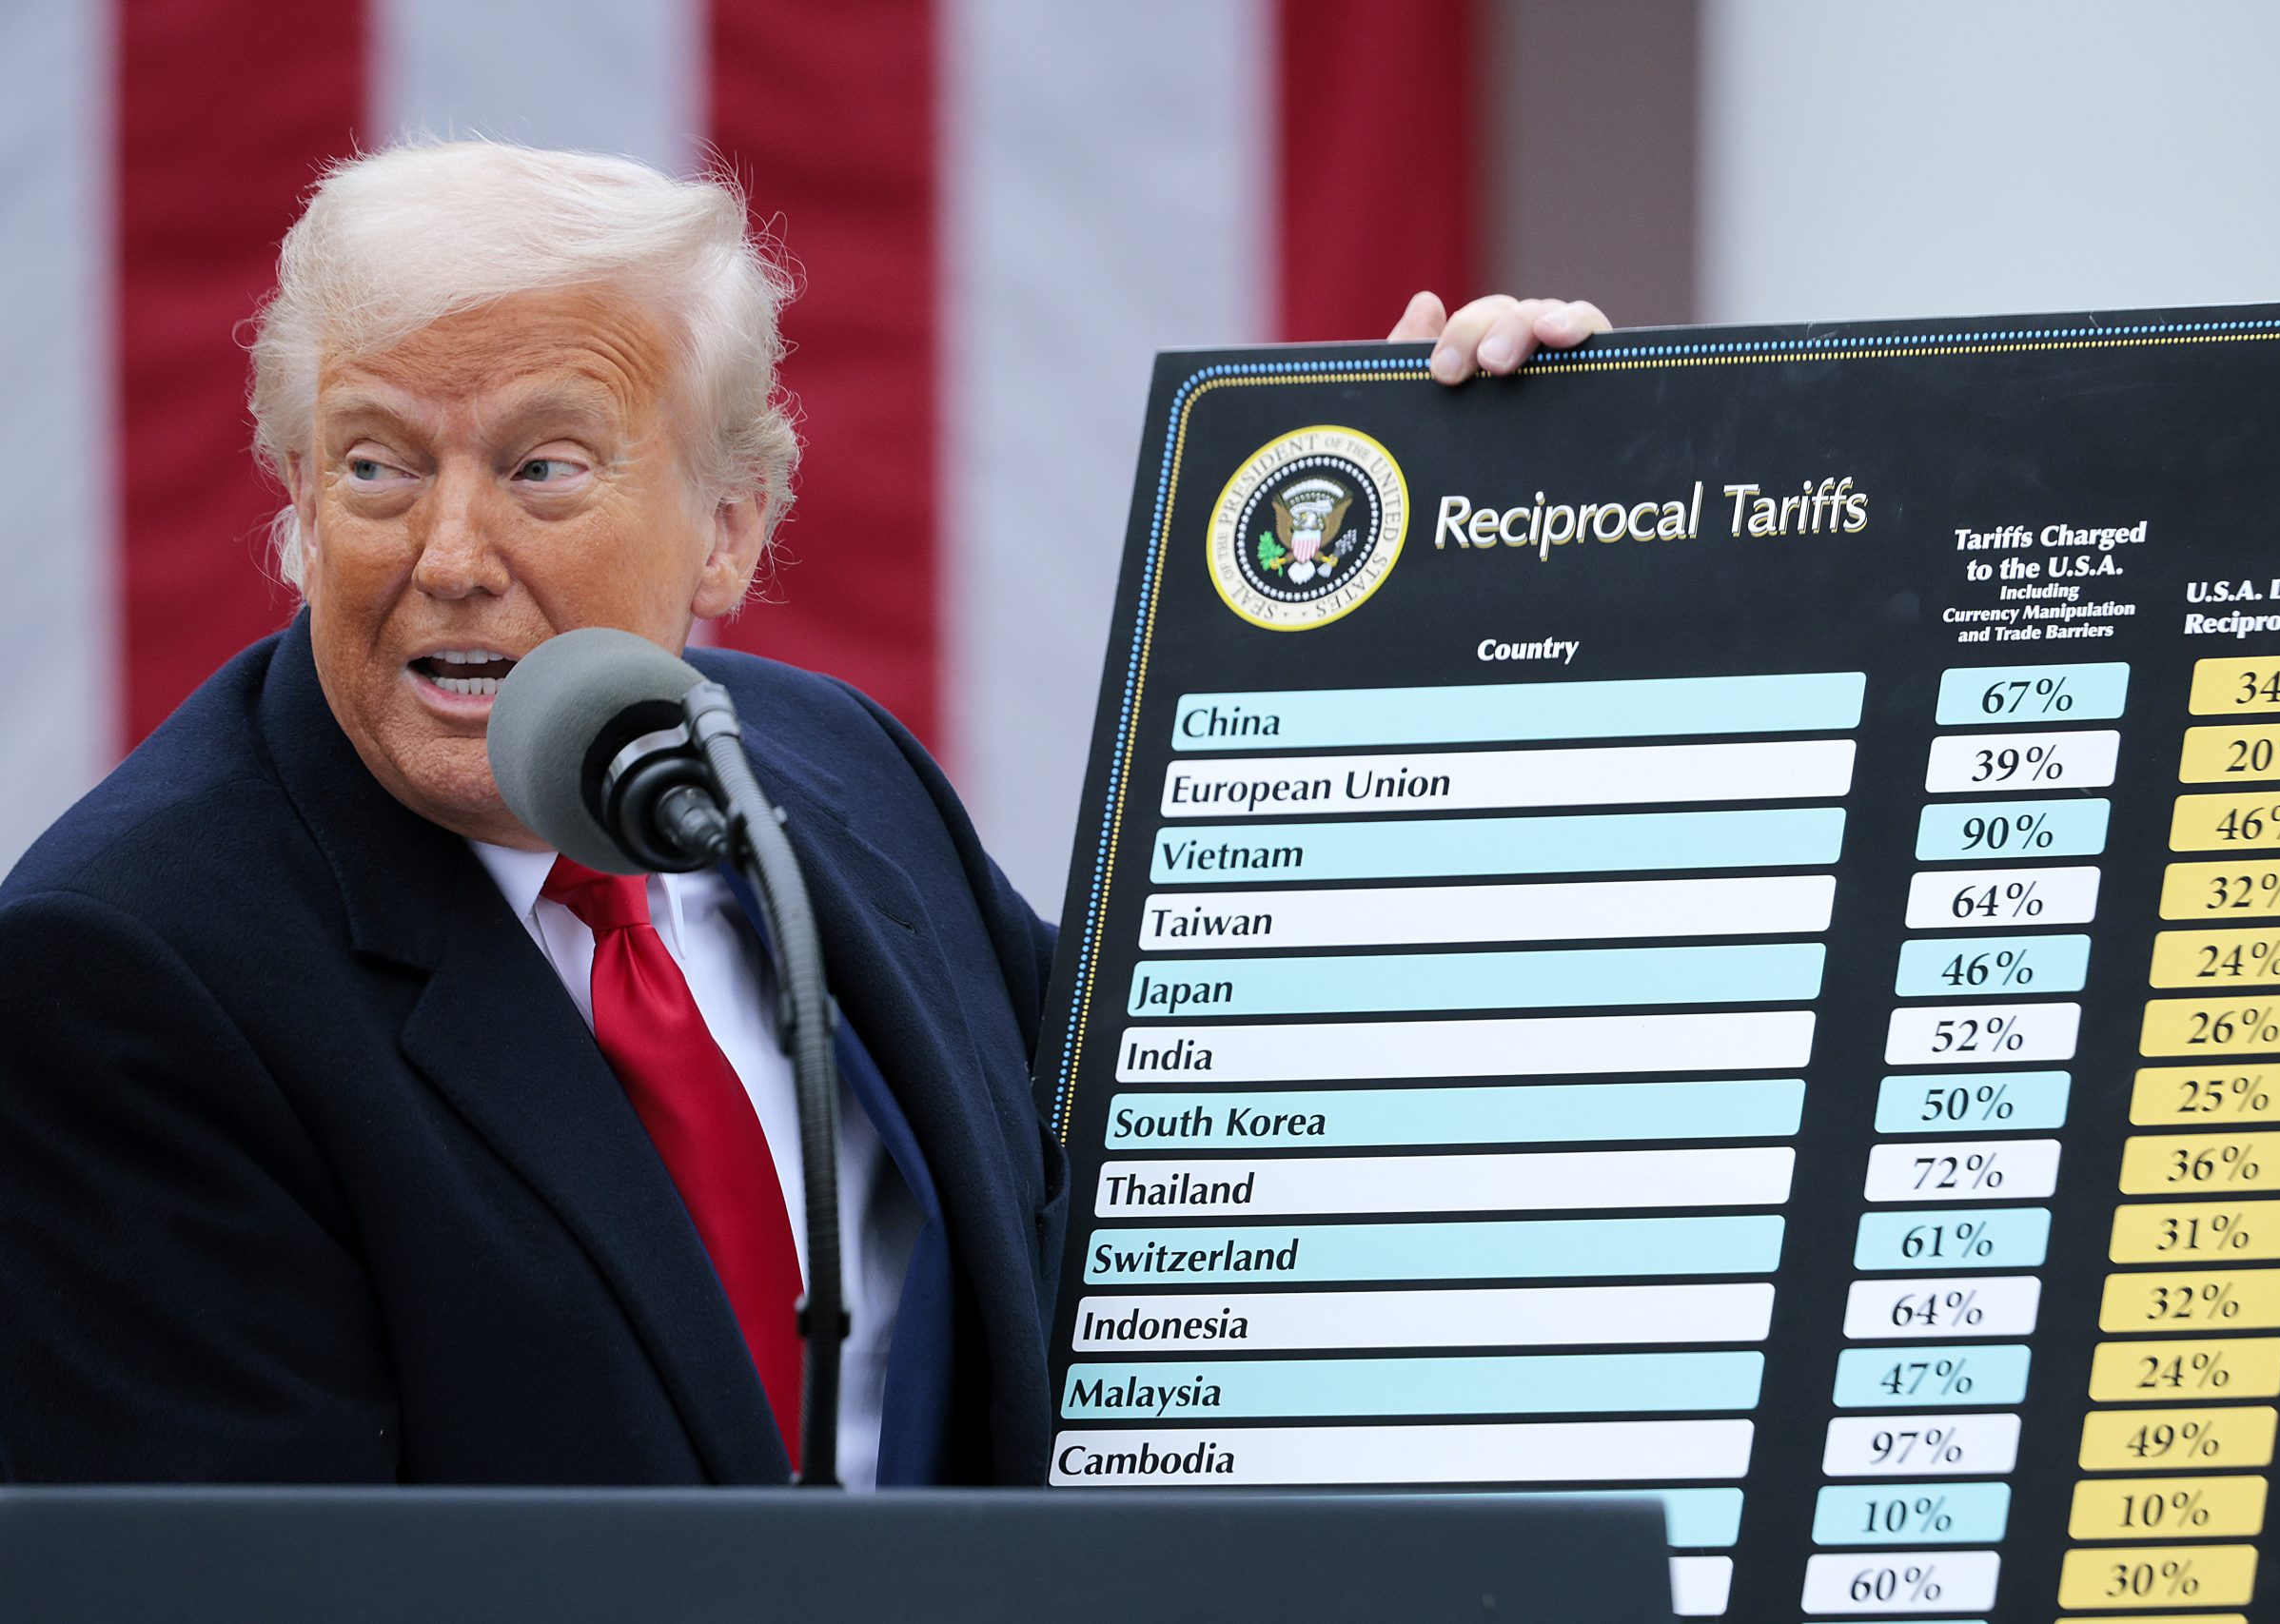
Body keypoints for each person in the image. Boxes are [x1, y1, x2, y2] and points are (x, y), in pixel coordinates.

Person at [0, 141, 1610, 1486]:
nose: (449, 553)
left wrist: (1461, 569)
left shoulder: (826, 771)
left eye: (545, 468)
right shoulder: (128, 972)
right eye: (375, 469)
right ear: (294, 507)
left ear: (728, 531)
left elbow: (1208, 1135)